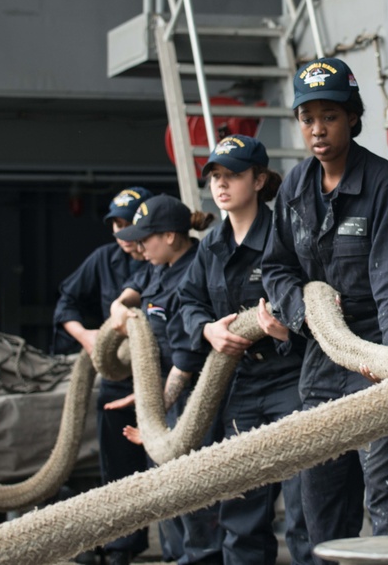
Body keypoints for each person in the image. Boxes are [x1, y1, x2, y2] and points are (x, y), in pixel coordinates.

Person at [262, 58, 388, 560]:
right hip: (322, 363)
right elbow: (277, 268)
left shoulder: (383, 184)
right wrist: (301, 309)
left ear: (353, 118)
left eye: (330, 116)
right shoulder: (294, 188)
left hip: (382, 355)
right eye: (307, 117)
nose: (318, 129)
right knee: (321, 507)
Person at [176, 135, 311, 565]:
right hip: (238, 387)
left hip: (288, 380)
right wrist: (207, 330)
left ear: (259, 179)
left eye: (232, 175)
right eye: (215, 176)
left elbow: (317, 299)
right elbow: (188, 302)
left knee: (303, 507)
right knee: (240, 511)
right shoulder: (211, 246)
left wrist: (287, 331)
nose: (221, 184)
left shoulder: (284, 234)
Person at [108, 193, 222, 565]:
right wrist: (120, 308)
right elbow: (138, 285)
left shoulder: (194, 270)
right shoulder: (159, 265)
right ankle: (176, 556)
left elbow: (188, 358)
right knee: (164, 485)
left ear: (171, 236)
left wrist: (154, 410)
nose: (139, 246)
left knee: (190, 482)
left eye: (147, 237)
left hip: (192, 395)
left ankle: (200, 558)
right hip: (160, 395)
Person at [52, 186, 153, 565]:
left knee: (167, 467)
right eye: (116, 224)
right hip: (116, 382)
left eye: (128, 224)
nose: (121, 233)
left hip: (162, 383)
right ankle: (120, 545)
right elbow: (67, 303)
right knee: (118, 468)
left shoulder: (164, 258)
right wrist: (89, 337)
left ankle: (181, 547)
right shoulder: (103, 259)